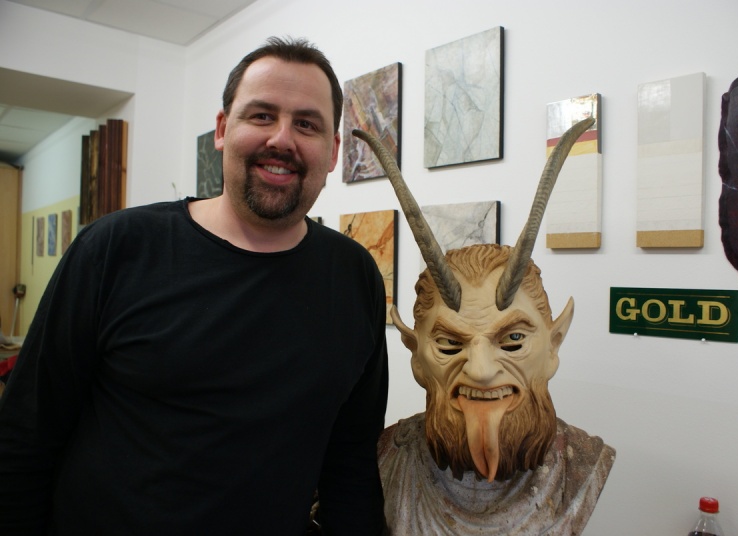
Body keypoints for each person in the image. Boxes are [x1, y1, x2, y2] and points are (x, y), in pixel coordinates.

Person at [0, 37, 388, 535]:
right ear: (223, 130)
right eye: (262, 115)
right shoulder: (116, 249)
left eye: (306, 124)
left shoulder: (355, 276)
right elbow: (24, 439)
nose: (282, 139)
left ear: (332, 152)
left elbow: (352, 462)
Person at [354, 124, 614, 535]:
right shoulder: (383, 458)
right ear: (415, 355)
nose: (480, 370)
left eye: (513, 341)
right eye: (448, 344)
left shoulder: (584, 464)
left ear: (554, 343)